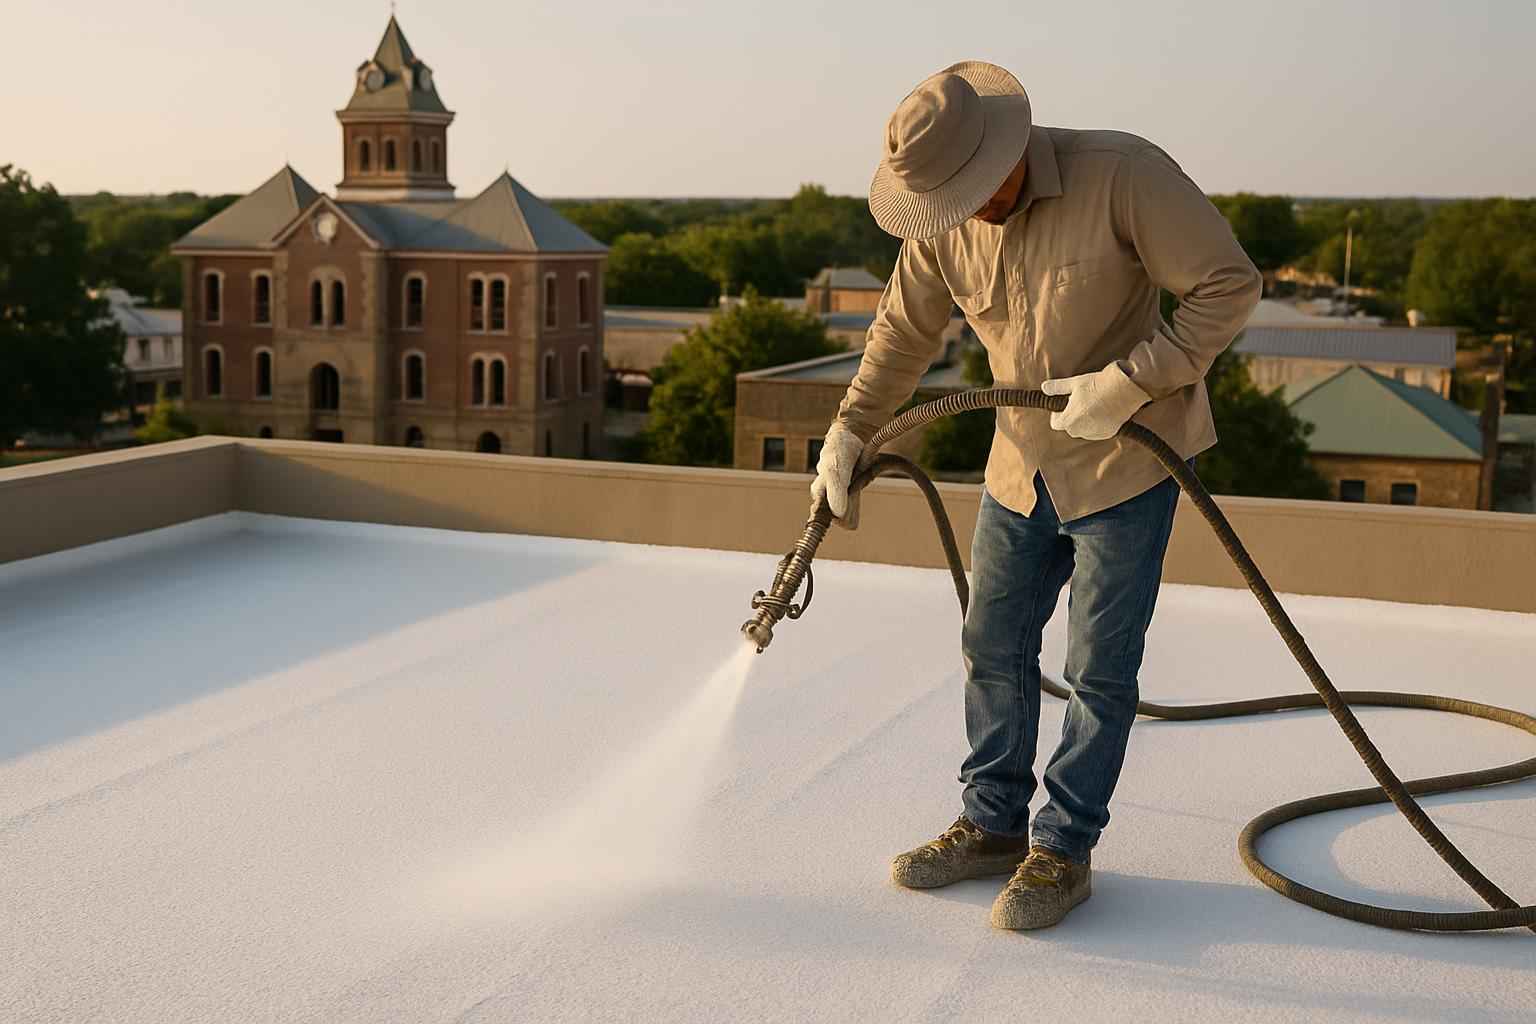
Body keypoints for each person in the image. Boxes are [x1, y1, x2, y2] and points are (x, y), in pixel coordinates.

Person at [811, 61, 1261, 930]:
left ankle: (1063, 849)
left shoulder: (1124, 174)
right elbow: (903, 332)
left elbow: (1227, 285)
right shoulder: (947, 216)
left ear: (1008, 149)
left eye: (975, 190)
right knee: (992, 643)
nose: (966, 211)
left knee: (1098, 670)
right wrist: (851, 429)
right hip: (1018, 471)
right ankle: (990, 826)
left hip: (1127, 467)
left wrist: (1136, 381)